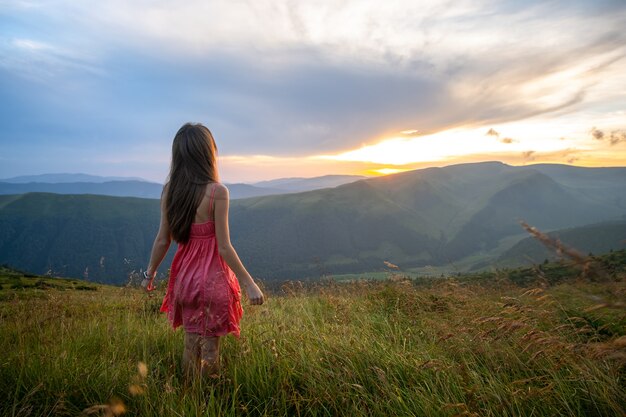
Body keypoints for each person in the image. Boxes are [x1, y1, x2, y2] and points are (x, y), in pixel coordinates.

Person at [144, 122, 264, 378]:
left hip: (185, 281)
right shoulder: (218, 192)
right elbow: (224, 246)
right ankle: (207, 402)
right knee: (210, 351)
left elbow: (162, 240)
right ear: (208, 154)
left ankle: (188, 397)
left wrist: (150, 274)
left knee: (190, 346)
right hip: (213, 282)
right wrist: (249, 283)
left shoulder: (169, 192)